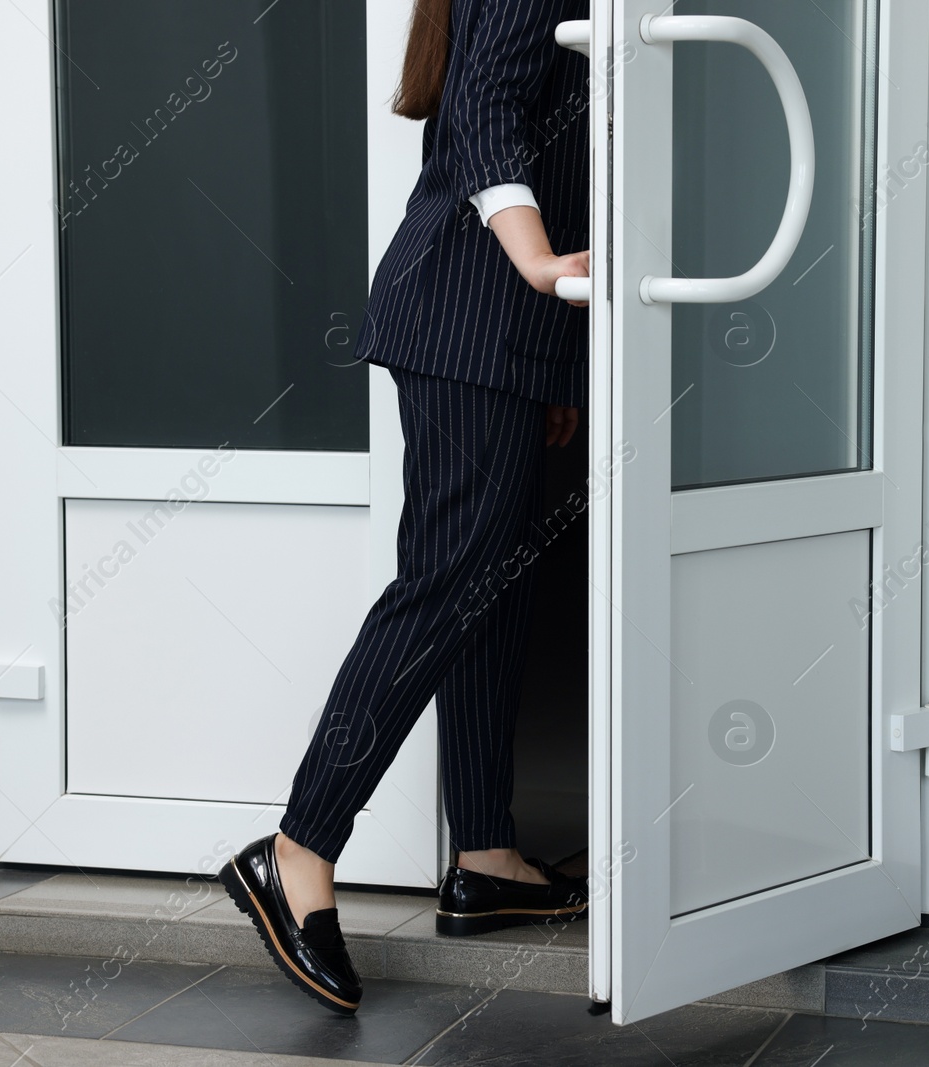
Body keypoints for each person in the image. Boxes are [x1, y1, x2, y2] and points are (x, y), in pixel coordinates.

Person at [218, 0, 591, 1017]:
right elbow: (480, 111)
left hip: (511, 336)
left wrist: (550, 359)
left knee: (492, 584)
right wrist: (534, 262)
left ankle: (483, 855)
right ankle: (297, 844)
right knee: (447, 582)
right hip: (468, 316)